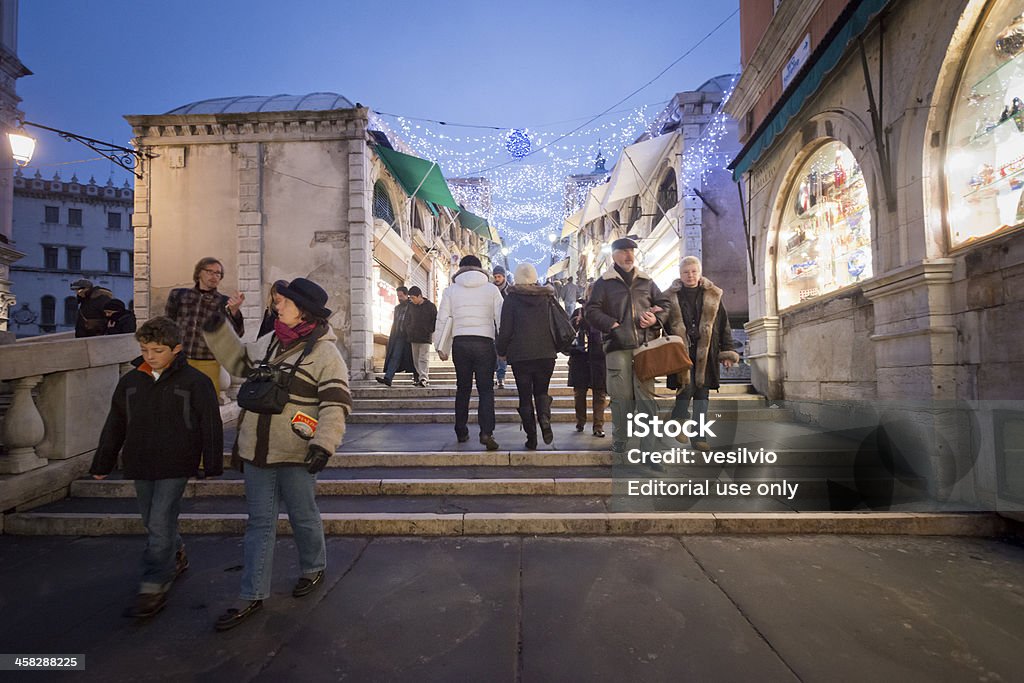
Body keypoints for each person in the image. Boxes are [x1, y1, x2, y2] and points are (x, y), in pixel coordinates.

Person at [204, 277, 352, 632]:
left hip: (297, 449)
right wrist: (215, 324)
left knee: (303, 514)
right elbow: (238, 364)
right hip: (256, 448)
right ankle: (252, 593)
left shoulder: (325, 353)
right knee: (259, 522)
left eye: (283, 302)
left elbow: (336, 404)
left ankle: (313, 567)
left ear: (304, 310)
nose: (277, 307)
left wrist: (323, 444)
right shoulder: (270, 343)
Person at [89, 316, 223, 619]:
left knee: (160, 521)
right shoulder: (131, 381)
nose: (150, 356)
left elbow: (210, 424)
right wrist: (103, 462)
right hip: (140, 460)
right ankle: (176, 552)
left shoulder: (195, 382)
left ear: (176, 349)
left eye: (158, 350)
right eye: (146, 349)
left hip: (177, 461)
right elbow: (115, 424)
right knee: (152, 520)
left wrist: (211, 464)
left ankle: (153, 584)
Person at [584, 237, 671, 454]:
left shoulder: (646, 281)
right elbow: (591, 311)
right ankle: (621, 439)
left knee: (646, 399)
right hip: (616, 346)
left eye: (631, 250)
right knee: (620, 397)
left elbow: (664, 304)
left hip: (644, 347)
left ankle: (648, 447)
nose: (629, 255)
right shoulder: (604, 283)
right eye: (623, 251)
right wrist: (611, 324)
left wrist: (655, 319)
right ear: (613, 255)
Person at [665, 256, 740, 451]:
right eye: (685, 272)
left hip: (707, 352)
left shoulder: (713, 295)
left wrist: (727, 351)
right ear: (680, 275)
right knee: (686, 388)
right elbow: (662, 324)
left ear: (699, 273)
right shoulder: (670, 296)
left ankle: (699, 438)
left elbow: (724, 325)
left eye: (693, 271)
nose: (689, 275)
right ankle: (678, 418)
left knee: (702, 397)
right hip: (681, 351)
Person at [433, 255, 503, 450]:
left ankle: (461, 429)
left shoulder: (451, 290)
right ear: (480, 269)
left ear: (461, 269)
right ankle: (486, 432)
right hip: (484, 342)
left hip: (461, 343)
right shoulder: (492, 290)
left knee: (463, 388)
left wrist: (440, 346)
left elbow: (442, 318)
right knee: (486, 389)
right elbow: (501, 318)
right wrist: (504, 346)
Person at [495, 263, 559, 449]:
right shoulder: (547, 297)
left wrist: (501, 350)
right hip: (546, 353)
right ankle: (545, 419)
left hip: (521, 354)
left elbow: (505, 330)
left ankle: (531, 438)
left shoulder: (511, 299)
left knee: (525, 396)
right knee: (541, 391)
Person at [165, 257, 245, 395]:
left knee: (207, 402)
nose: (214, 276)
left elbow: (237, 333)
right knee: (177, 400)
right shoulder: (179, 295)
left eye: (218, 274)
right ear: (199, 273)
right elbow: (168, 325)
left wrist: (234, 312)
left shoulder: (223, 302)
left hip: (208, 360)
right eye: (210, 271)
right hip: (179, 359)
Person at [568, 293, 608, 437]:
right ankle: (581, 421)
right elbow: (567, 331)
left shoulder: (603, 314)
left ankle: (598, 426)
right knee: (579, 393)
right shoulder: (578, 312)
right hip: (580, 358)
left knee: (599, 393)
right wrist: (576, 322)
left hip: (599, 357)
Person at [377, 286, 417, 387]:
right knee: (395, 356)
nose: (399, 298)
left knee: (414, 358)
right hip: (399, 336)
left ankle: (418, 378)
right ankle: (388, 378)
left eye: (401, 295)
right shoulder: (397, 308)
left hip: (410, 337)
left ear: (406, 295)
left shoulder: (413, 306)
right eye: (398, 296)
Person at [405, 286, 437, 387]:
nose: (412, 300)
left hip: (425, 337)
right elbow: (407, 319)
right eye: (410, 298)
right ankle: (420, 377)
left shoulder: (430, 306)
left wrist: (430, 330)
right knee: (416, 359)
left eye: (413, 298)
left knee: (423, 357)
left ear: (420, 296)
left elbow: (435, 320)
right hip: (413, 336)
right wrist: (408, 329)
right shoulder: (410, 306)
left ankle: (424, 377)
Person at [492, 265, 510, 389]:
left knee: (501, 352)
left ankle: (501, 377)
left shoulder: (510, 291)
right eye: (495, 276)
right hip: (491, 326)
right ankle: (493, 375)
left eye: (499, 276)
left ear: (504, 277)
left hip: (504, 326)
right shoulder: (490, 290)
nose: (497, 279)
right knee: (492, 352)